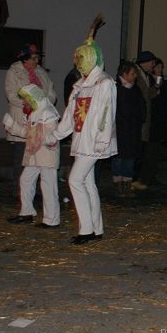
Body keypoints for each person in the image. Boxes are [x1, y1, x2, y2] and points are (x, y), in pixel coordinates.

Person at [54, 15, 117, 245]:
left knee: (75, 180)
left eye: (81, 57)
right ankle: (96, 228)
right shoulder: (80, 85)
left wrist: (102, 141)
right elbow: (71, 115)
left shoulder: (105, 83)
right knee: (87, 183)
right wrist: (56, 135)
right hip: (82, 140)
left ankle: (86, 230)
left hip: (93, 142)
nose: (78, 61)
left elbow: (105, 115)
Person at [3, 84, 61, 227]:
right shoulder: (35, 112)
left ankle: (52, 220)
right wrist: (12, 126)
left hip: (46, 154)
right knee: (25, 180)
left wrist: (37, 136)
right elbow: (28, 133)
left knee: (48, 186)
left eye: (25, 99)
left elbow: (50, 136)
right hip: (34, 154)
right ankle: (27, 212)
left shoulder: (48, 112)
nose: (23, 102)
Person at [5, 44, 57, 195]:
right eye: (34, 58)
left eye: (38, 58)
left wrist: (44, 104)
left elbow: (51, 92)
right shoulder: (14, 71)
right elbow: (12, 94)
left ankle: (36, 193)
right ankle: (20, 192)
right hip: (23, 117)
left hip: (41, 120)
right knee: (21, 158)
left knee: (39, 159)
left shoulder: (41, 72)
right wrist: (29, 104)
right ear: (25, 59)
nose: (37, 61)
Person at [112, 61, 146, 196]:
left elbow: (142, 107)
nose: (135, 76)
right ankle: (118, 185)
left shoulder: (135, 89)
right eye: (133, 73)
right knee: (119, 158)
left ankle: (127, 185)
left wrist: (140, 119)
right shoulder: (115, 89)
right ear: (124, 74)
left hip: (133, 130)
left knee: (130, 158)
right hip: (120, 130)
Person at [134, 50, 161, 189]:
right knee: (137, 148)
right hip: (138, 117)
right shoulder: (136, 74)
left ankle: (138, 178)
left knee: (142, 147)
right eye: (152, 62)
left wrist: (156, 83)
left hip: (145, 117)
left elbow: (149, 95)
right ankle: (134, 178)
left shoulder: (146, 75)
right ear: (146, 62)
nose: (153, 65)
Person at [146, 57, 167, 185]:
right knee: (150, 148)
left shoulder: (163, 81)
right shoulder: (149, 80)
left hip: (159, 119)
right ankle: (147, 175)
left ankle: (153, 175)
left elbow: (165, 100)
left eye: (161, 67)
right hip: (151, 119)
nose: (160, 70)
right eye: (158, 67)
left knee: (156, 149)